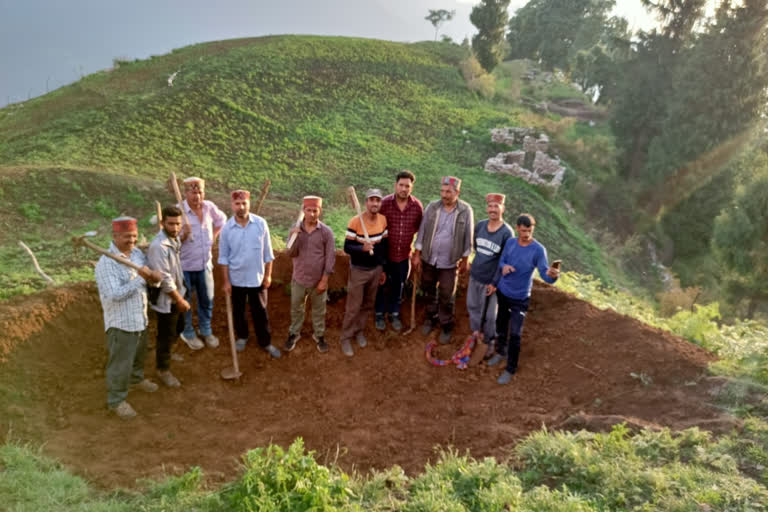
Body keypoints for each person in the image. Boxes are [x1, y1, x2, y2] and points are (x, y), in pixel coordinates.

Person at [95, 217, 164, 419]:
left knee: (138, 355)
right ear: (115, 236)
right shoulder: (106, 264)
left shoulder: (137, 255)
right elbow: (114, 294)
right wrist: (141, 279)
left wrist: (155, 281)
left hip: (139, 318)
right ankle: (116, 400)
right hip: (121, 323)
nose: (131, 240)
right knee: (120, 363)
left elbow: (147, 282)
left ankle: (136, 379)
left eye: (134, 235)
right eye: (126, 236)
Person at [488, 214, 560, 384]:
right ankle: (500, 352)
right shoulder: (511, 243)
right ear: (517, 228)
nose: (526, 234)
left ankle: (510, 368)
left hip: (520, 297)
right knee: (501, 324)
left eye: (529, 231)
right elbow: (502, 261)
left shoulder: (538, 250)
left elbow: (545, 275)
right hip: (504, 292)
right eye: (523, 230)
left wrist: (553, 276)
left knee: (515, 334)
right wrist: (504, 266)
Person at [218, 189, 281, 358]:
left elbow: (268, 253)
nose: (241, 207)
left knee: (260, 311)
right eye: (237, 204)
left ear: (249, 204)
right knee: (238, 311)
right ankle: (242, 337)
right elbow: (223, 258)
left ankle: (265, 342)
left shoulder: (261, 224)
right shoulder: (227, 229)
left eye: (244, 203)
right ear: (232, 205)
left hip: (257, 278)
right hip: (236, 278)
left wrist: (268, 275)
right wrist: (226, 281)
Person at [413, 176, 473, 344]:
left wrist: (465, 258)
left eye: (448, 192)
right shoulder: (432, 207)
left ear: (457, 192)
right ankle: (431, 318)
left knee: (447, 293)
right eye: (442, 191)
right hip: (429, 258)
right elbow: (423, 231)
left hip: (449, 261)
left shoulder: (465, 210)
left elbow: (468, 235)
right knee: (428, 289)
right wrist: (417, 254)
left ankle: (446, 324)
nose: (444, 195)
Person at [178, 176, 227, 351]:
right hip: (184, 266)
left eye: (200, 192)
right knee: (186, 300)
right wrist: (183, 235)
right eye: (193, 192)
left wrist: (214, 236)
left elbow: (222, 220)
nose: (197, 196)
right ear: (186, 193)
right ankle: (188, 332)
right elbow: (169, 241)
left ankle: (206, 330)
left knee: (207, 299)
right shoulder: (179, 211)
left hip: (205, 264)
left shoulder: (209, 207)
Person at [339, 188, 388, 356]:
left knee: (368, 305)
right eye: (371, 200)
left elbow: (383, 246)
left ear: (380, 203)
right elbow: (346, 247)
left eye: (378, 200)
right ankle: (345, 337)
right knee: (353, 307)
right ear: (366, 202)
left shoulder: (383, 220)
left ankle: (358, 331)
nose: (375, 203)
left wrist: (382, 268)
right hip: (359, 271)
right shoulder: (355, 221)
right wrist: (362, 247)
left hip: (376, 270)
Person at [284, 195, 335, 353]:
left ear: (320, 211)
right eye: (309, 210)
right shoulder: (296, 228)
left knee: (319, 310)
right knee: (296, 308)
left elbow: (330, 257)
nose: (312, 214)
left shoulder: (326, 232)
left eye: (315, 210)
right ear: (303, 210)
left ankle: (319, 335)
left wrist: (324, 280)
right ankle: (294, 333)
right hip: (299, 278)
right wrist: (294, 236)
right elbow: (290, 253)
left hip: (318, 280)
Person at [147, 206, 191, 388]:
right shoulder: (158, 246)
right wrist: (179, 300)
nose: (175, 228)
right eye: (171, 224)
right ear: (162, 223)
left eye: (178, 224)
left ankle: (168, 352)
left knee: (178, 327)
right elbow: (164, 279)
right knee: (166, 334)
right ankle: (162, 369)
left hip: (178, 293)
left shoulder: (173, 239)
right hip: (168, 299)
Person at [374, 170, 423, 332]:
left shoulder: (417, 206)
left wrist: (416, 254)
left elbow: (420, 231)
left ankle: (394, 313)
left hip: (403, 255)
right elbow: (376, 227)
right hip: (385, 254)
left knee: (398, 285)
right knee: (381, 284)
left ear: (411, 188)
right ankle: (379, 314)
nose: (403, 189)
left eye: (407, 186)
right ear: (395, 185)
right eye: (401, 185)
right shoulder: (385, 204)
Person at [466, 193, 514, 352]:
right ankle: (476, 335)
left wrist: (495, 282)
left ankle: (489, 342)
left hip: (492, 282)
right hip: (475, 276)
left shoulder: (507, 233)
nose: (493, 209)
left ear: (503, 209)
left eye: (496, 206)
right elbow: (476, 249)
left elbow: (506, 261)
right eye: (490, 206)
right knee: (473, 307)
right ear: (487, 208)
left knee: (490, 316)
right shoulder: (480, 226)